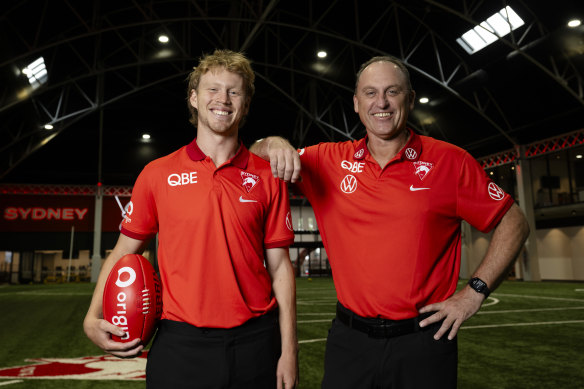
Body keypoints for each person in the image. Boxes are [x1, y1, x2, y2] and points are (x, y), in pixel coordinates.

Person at [251, 55, 529, 388]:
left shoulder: (449, 161)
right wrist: (274, 142)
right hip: (349, 342)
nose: (381, 102)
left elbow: (514, 221)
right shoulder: (327, 160)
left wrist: (474, 293)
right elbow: (254, 157)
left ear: (409, 99)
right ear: (356, 103)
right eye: (370, 93)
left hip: (424, 343)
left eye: (392, 91)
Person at [84, 49, 298, 389]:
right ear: (194, 98)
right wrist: (91, 317)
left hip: (256, 343)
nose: (223, 100)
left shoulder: (268, 176)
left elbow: (281, 268)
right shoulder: (157, 173)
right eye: (213, 89)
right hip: (180, 345)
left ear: (245, 103)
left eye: (234, 91)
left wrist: (289, 351)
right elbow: (124, 251)